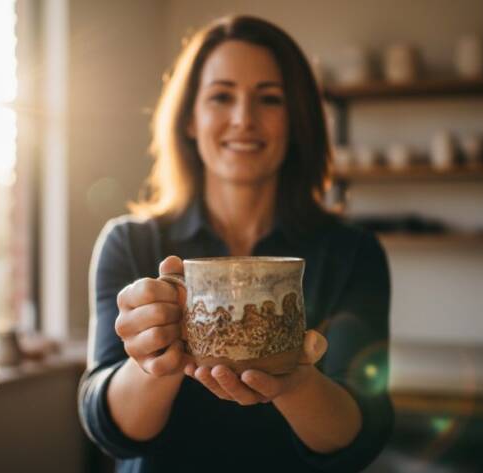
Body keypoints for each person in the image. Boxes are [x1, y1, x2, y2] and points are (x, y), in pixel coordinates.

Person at [79, 15, 392, 473]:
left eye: (269, 99)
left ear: (297, 120)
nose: (244, 119)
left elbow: (362, 435)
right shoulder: (131, 243)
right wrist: (154, 361)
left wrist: (294, 382)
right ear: (189, 119)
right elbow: (109, 429)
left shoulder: (352, 254)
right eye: (221, 96)